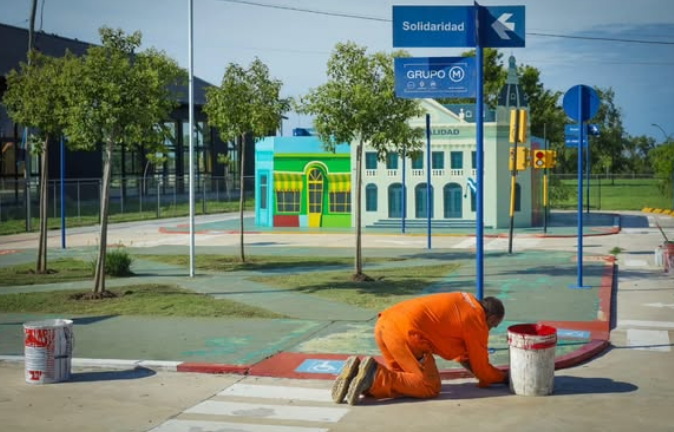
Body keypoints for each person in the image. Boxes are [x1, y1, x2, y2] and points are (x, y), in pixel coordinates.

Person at [331, 292, 509, 405]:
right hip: (407, 333)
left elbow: (464, 357)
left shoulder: (464, 301)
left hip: (384, 324)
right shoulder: (477, 320)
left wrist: (478, 372)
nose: (490, 329)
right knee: (429, 386)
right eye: (494, 325)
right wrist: (504, 377)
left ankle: (358, 378)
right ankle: (374, 376)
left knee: (404, 382)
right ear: (492, 318)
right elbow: (482, 369)